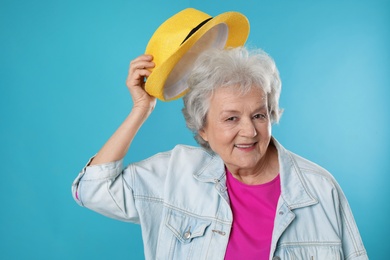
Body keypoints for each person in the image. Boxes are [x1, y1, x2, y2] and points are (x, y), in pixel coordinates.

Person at [72, 47, 368, 259]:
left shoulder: (319, 188)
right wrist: (141, 109)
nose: (249, 132)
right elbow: (92, 189)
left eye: (259, 116)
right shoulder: (176, 175)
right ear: (203, 128)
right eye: (230, 119)